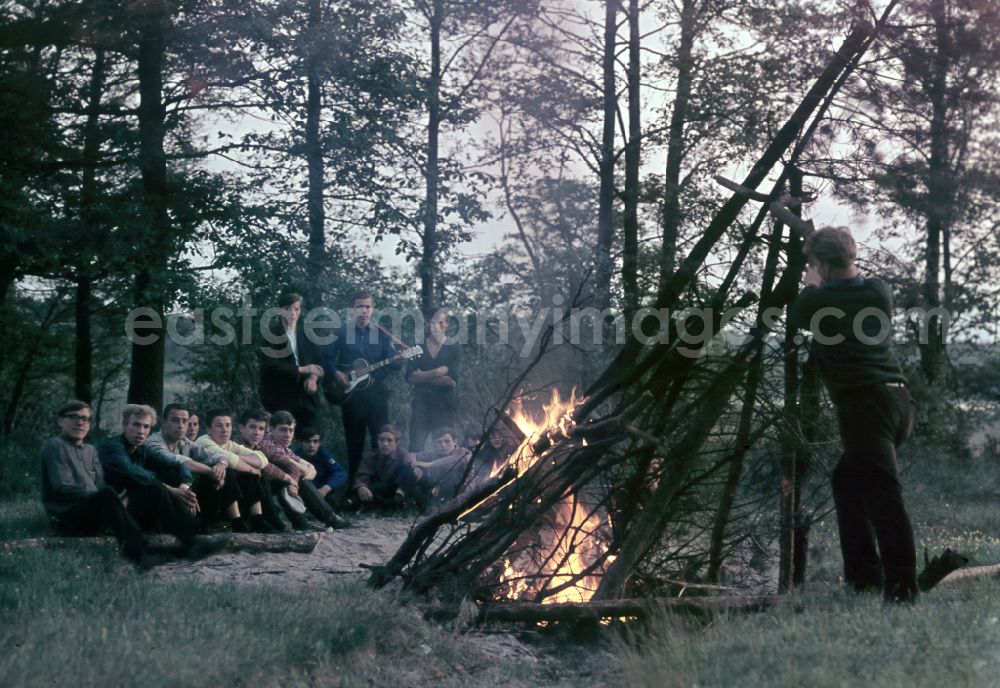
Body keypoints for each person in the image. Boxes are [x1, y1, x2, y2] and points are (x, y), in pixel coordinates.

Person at [787, 226, 918, 603]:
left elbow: (796, 317)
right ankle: (864, 578)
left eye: (815, 264)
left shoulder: (818, 298)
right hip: (899, 403)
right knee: (848, 481)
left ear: (823, 265)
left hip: (865, 406)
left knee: (883, 497)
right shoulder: (879, 291)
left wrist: (811, 284)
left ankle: (902, 590)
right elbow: (848, 290)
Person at [91, 403, 209, 559]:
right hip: (110, 511)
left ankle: (183, 537)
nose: (141, 431)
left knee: (171, 473)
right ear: (125, 426)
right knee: (156, 489)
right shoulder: (112, 447)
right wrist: (170, 489)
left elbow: (178, 464)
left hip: (131, 504)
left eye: (146, 427)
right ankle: (190, 539)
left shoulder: (142, 449)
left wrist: (184, 486)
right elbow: (130, 472)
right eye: (136, 425)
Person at [41, 400, 149, 565]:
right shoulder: (55, 446)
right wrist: (104, 497)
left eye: (85, 419)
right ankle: (136, 550)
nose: (80, 422)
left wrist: (113, 499)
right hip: (66, 517)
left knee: (141, 491)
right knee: (107, 494)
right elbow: (63, 488)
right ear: (61, 421)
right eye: (74, 417)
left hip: (90, 514)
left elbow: (99, 486)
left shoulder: (90, 450)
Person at [322, 291, 403, 483]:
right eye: (360, 306)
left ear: (372, 309)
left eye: (367, 306)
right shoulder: (342, 332)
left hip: (377, 396)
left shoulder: (382, 334)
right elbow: (325, 357)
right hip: (352, 397)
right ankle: (354, 488)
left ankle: (380, 488)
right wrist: (337, 373)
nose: (364, 311)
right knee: (354, 443)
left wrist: (398, 361)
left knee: (381, 440)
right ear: (353, 309)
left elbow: (390, 363)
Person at [145, 403, 261, 533]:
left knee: (223, 472)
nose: (181, 425)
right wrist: (212, 471)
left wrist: (221, 464)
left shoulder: (185, 442)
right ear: (164, 422)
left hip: (186, 490)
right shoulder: (153, 442)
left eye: (184, 421)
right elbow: (179, 460)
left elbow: (214, 455)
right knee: (175, 471)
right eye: (175, 420)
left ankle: (214, 524)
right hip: (163, 492)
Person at [195, 409, 287, 532]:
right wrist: (250, 468)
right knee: (231, 471)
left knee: (248, 474)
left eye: (228, 425)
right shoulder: (203, 441)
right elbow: (229, 459)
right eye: (219, 426)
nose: (225, 429)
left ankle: (257, 519)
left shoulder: (229, 445)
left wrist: (242, 462)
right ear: (209, 429)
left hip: (223, 496)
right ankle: (236, 521)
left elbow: (262, 458)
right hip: (203, 498)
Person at [260, 411, 350, 528]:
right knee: (298, 481)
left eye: (291, 430)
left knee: (296, 481)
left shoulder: (282, 446)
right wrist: (297, 477)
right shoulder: (268, 445)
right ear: (271, 429)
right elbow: (300, 469)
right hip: (262, 489)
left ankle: (304, 524)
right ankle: (330, 518)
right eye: (283, 430)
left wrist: (305, 472)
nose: (288, 434)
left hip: (276, 485)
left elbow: (309, 469)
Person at [259, 291, 325, 432]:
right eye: (288, 309)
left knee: (310, 438)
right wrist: (302, 369)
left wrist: (313, 378)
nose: (293, 313)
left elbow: (319, 362)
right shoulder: (271, 334)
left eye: (296, 309)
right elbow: (270, 365)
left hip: (306, 397)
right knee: (282, 440)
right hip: (280, 397)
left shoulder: (307, 334)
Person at [406, 307, 461, 452]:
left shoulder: (453, 347)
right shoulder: (417, 347)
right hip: (420, 405)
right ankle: (417, 474)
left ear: (447, 324)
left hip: (444, 406)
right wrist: (437, 372)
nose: (436, 326)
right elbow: (411, 377)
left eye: (440, 323)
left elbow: (451, 381)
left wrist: (422, 376)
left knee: (446, 449)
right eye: (432, 322)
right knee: (416, 447)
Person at [352, 424, 417, 510]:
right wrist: (361, 487)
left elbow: (412, 467)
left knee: (410, 472)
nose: (385, 444)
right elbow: (362, 477)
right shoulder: (371, 456)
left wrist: (416, 467)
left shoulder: (403, 455)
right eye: (381, 440)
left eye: (389, 440)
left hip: (397, 491)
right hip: (379, 489)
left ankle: (397, 502)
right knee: (351, 502)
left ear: (397, 443)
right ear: (377, 441)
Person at [410, 426, 472, 511]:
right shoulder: (436, 451)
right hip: (436, 490)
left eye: (447, 441)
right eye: (439, 442)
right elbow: (411, 455)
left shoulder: (464, 452)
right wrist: (415, 466)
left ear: (455, 441)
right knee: (410, 473)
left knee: (451, 472)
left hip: (461, 494)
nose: (443, 445)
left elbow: (448, 461)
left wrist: (426, 464)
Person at [296, 426, 350, 511]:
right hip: (302, 493)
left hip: (321, 493)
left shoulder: (324, 455)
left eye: (315, 441)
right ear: (300, 443)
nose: (311, 445)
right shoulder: (295, 456)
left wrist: (326, 488)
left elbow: (340, 473)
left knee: (333, 501)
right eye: (307, 441)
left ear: (319, 443)